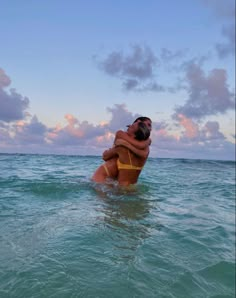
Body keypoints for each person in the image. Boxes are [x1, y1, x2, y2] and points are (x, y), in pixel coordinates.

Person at [92, 117, 152, 186]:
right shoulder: (121, 135)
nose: (150, 128)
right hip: (104, 175)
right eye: (148, 125)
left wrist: (126, 145)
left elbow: (141, 150)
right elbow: (105, 156)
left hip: (114, 180)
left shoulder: (142, 145)